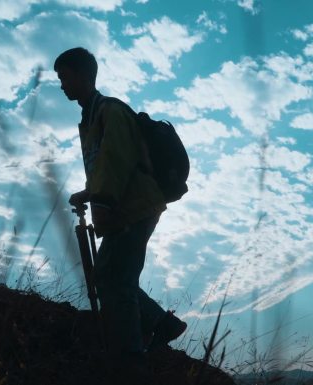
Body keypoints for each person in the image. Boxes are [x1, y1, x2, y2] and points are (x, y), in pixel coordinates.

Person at [54, 47, 187, 383]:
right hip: (126, 205)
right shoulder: (91, 117)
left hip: (134, 206)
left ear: (83, 76)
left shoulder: (109, 111)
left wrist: (101, 201)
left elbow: (116, 160)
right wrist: (90, 194)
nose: (62, 85)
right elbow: (105, 166)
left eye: (65, 77)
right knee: (110, 276)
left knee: (115, 279)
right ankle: (159, 325)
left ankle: (131, 361)